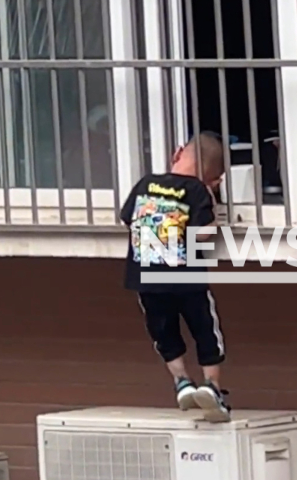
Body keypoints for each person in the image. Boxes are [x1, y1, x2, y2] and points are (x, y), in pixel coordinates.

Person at [119, 131, 230, 423]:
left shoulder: (145, 184)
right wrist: (214, 210)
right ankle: (213, 386)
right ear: (214, 179)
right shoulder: (196, 191)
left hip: (146, 277)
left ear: (178, 152)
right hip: (186, 277)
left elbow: (127, 218)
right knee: (204, 328)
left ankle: (181, 381)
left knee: (163, 331)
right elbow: (203, 232)